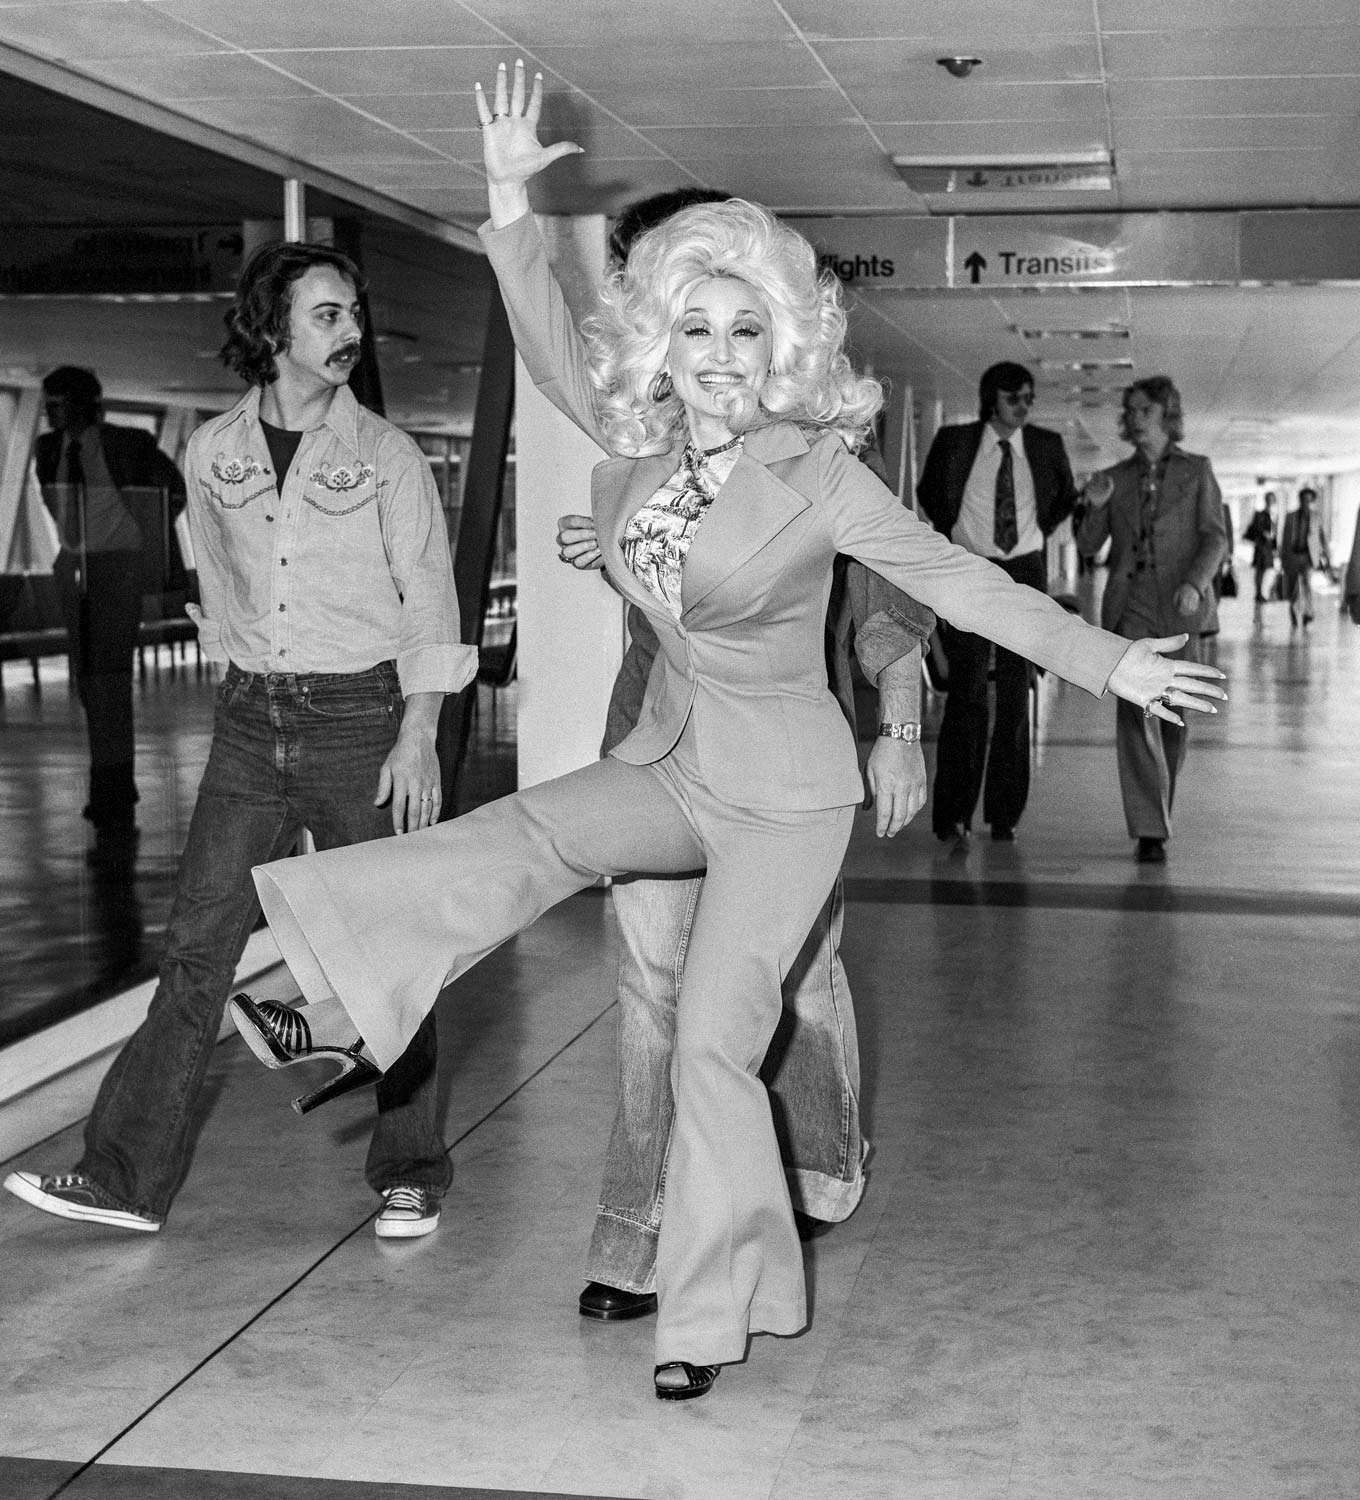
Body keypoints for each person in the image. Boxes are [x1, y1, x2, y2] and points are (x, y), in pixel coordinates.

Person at [227, 61, 1224, 1403]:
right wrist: (515, 201)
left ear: (785, 348)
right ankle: (308, 994)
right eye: (694, 329)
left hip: (786, 800)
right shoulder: (637, 452)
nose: (717, 357)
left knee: (708, 1038)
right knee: (516, 832)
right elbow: (543, 338)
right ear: (662, 340)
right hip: (671, 762)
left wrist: (1111, 664)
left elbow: (958, 583)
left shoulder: (821, 474)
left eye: (745, 333)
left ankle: (706, 1313)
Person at [4, 241, 473, 1239]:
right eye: (327, 315)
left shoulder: (384, 455)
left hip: (360, 719)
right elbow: (210, 565)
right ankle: (124, 1177)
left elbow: (428, 591)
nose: (350, 333)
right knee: (194, 954)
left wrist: (420, 731)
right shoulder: (212, 449)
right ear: (271, 330)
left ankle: (410, 1169)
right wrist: (235, 664)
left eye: (354, 314)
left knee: (382, 954)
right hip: (251, 721)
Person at [555, 189, 935, 1321]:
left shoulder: (810, 440)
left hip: (782, 762)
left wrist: (901, 719)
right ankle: (635, 1238)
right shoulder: (640, 435)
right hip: (658, 750)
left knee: (799, 984)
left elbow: (888, 590)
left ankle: (819, 1166)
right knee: (650, 997)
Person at [915, 361, 1080, 844]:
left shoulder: (1047, 447)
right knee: (966, 693)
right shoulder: (955, 441)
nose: (1024, 407)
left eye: (1029, 398)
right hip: (971, 569)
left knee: (1016, 692)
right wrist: (958, 538)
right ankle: (953, 814)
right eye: (1014, 399)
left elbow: (1063, 498)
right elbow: (930, 494)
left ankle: (1004, 815)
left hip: (1026, 570)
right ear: (992, 400)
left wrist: (1035, 533)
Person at [35, 366, 187, 867]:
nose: (48, 411)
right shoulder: (47, 450)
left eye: (56, 401)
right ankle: (112, 783)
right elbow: (57, 507)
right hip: (74, 569)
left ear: (81, 403)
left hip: (116, 566)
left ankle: (113, 789)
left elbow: (174, 489)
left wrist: (144, 542)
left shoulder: (128, 444)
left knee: (108, 679)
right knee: (88, 679)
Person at [1077, 376, 1227, 865]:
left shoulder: (1198, 471)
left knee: (1175, 716)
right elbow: (1085, 546)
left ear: (1166, 414)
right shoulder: (1115, 477)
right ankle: (1149, 829)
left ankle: (1159, 806)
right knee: (1137, 709)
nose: (1133, 418)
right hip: (1131, 607)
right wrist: (1093, 507)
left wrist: (1196, 582)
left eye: (1143, 410)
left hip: (1181, 606)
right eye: (1130, 410)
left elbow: (1215, 538)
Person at [1280, 486, 1332, 630]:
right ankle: (1293, 611)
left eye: (1309, 500)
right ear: (1300, 500)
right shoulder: (1290, 517)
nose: (1306, 503)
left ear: (1311, 501)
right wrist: (1283, 558)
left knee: (1307, 585)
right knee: (1293, 587)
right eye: (1303, 499)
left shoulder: (1316, 517)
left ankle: (1308, 613)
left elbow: (1323, 538)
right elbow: (1284, 539)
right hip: (1293, 556)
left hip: (1308, 557)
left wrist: (1327, 557)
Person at [1243, 492, 1279, 603]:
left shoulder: (1274, 515)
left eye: (1272, 499)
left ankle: (1263, 593)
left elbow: (1275, 533)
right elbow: (1255, 528)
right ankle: (1258, 593)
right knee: (1259, 570)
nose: (1270, 501)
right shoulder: (1259, 514)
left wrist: (1275, 548)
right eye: (1268, 499)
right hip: (1260, 546)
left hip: (1268, 547)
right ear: (1265, 500)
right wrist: (1263, 533)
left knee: (1267, 571)